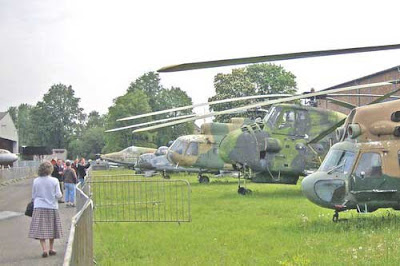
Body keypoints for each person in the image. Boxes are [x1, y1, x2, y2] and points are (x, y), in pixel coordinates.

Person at [29, 161, 63, 258]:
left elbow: (34, 195)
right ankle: (51, 248)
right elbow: (58, 195)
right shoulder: (55, 180)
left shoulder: (36, 181)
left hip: (39, 206)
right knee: (52, 228)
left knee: (41, 229)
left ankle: (44, 249)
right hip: (52, 207)